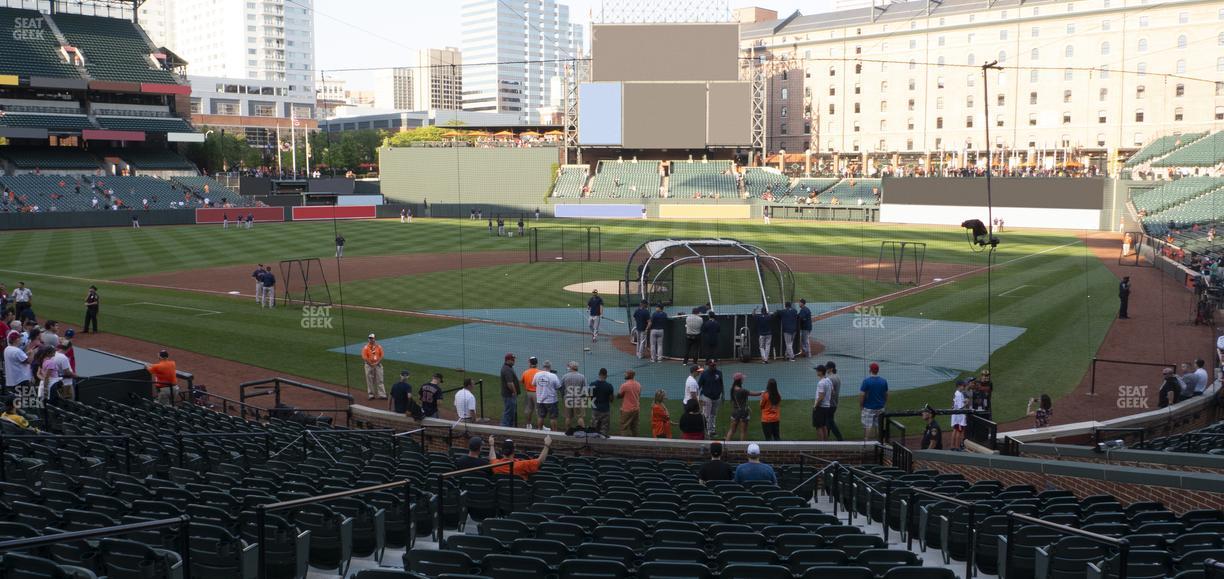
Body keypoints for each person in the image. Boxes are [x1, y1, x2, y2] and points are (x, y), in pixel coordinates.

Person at [726, 373, 760, 442]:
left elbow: (739, 401)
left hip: (735, 412)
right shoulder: (742, 390)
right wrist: (763, 392)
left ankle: (726, 446)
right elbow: (755, 394)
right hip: (743, 413)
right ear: (739, 380)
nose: (743, 380)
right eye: (742, 379)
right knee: (743, 432)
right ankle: (742, 449)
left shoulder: (732, 389)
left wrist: (747, 406)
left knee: (732, 430)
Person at [859, 362, 889, 441]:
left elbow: (862, 395)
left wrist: (861, 406)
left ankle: (866, 442)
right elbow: (886, 394)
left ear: (870, 370)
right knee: (879, 426)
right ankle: (879, 442)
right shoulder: (883, 381)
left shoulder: (866, 381)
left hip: (868, 408)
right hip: (880, 408)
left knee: (868, 426)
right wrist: (884, 404)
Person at [697, 359, 724, 439]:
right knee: (706, 415)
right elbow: (699, 386)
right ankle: (706, 431)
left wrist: (723, 395)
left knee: (713, 415)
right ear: (708, 365)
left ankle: (712, 430)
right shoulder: (704, 374)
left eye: (715, 365)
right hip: (706, 397)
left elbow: (721, 384)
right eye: (712, 365)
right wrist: (698, 397)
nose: (714, 367)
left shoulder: (719, 373)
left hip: (717, 398)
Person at [532, 361, 561, 430]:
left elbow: (533, 384)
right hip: (551, 400)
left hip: (540, 400)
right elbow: (558, 386)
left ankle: (539, 430)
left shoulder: (537, 374)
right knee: (553, 417)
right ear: (550, 367)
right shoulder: (553, 376)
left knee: (540, 416)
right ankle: (554, 432)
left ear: (543, 366)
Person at [560, 361, 587, 431]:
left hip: (567, 399)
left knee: (568, 417)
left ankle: (568, 432)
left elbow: (561, 388)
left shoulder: (565, 376)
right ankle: (583, 432)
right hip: (578, 399)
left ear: (570, 367)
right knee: (580, 417)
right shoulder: (582, 377)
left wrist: (563, 396)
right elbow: (585, 389)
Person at [589, 368, 614, 437]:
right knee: (604, 430)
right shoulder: (609, 386)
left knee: (594, 429)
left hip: (595, 409)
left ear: (599, 374)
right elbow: (611, 400)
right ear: (606, 375)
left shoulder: (592, 384)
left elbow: (589, 397)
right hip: (605, 410)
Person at [361, 334, 387, 400]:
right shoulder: (365, 347)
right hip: (369, 365)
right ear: (368, 339)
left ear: (374, 339)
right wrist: (371, 364)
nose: (371, 339)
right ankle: (371, 395)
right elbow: (365, 357)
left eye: (372, 338)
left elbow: (382, 355)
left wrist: (376, 363)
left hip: (378, 365)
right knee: (369, 380)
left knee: (380, 379)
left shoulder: (379, 346)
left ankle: (382, 394)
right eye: (370, 338)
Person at [617, 369, 642, 436]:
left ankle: (625, 442)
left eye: (626, 373)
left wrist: (619, 395)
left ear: (629, 375)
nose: (624, 374)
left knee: (624, 427)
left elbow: (619, 395)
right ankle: (636, 442)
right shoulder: (638, 384)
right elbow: (639, 394)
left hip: (627, 410)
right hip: (636, 409)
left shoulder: (624, 385)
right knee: (635, 427)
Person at [824, 361, 844, 441]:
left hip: (829, 404)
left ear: (831, 369)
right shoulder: (837, 377)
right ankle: (827, 436)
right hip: (834, 403)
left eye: (827, 368)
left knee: (830, 422)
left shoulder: (830, 379)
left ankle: (840, 438)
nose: (826, 369)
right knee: (828, 420)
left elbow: (829, 392)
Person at [812, 364, 833, 440]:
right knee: (824, 425)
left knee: (818, 426)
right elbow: (832, 392)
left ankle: (821, 445)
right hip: (827, 406)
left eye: (817, 370)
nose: (816, 371)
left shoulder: (821, 383)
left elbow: (821, 396)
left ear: (821, 372)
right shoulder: (828, 380)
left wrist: (815, 405)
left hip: (820, 407)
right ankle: (825, 444)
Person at [499, 353, 521, 427]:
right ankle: (504, 427)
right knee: (508, 412)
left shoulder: (509, 367)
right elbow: (510, 384)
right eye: (512, 360)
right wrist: (514, 392)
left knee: (511, 412)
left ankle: (509, 427)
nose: (514, 361)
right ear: (507, 360)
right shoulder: (507, 369)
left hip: (509, 395)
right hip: (509, 395)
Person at [520, 356, 540, 428]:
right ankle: (540, 426)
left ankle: (528, 425)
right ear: (536, 363)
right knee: (538, 410)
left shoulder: (525, 372)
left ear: (530, 363)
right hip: (537, 394)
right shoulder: (539, 372)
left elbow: (522, 381)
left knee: (528, 409)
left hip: (528, 393)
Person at [950, 380, 968, 450]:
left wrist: (963, 401)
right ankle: (957, 447)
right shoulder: (960, 394)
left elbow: (954, 404)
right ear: (959, 386)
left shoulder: (956, 393)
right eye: (963, 386)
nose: (964, 387)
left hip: (955, 415)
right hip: (959, 417)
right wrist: (966, 403)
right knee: (959, 431)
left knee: (955, 430)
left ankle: (952, 446)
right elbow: (961, 407)